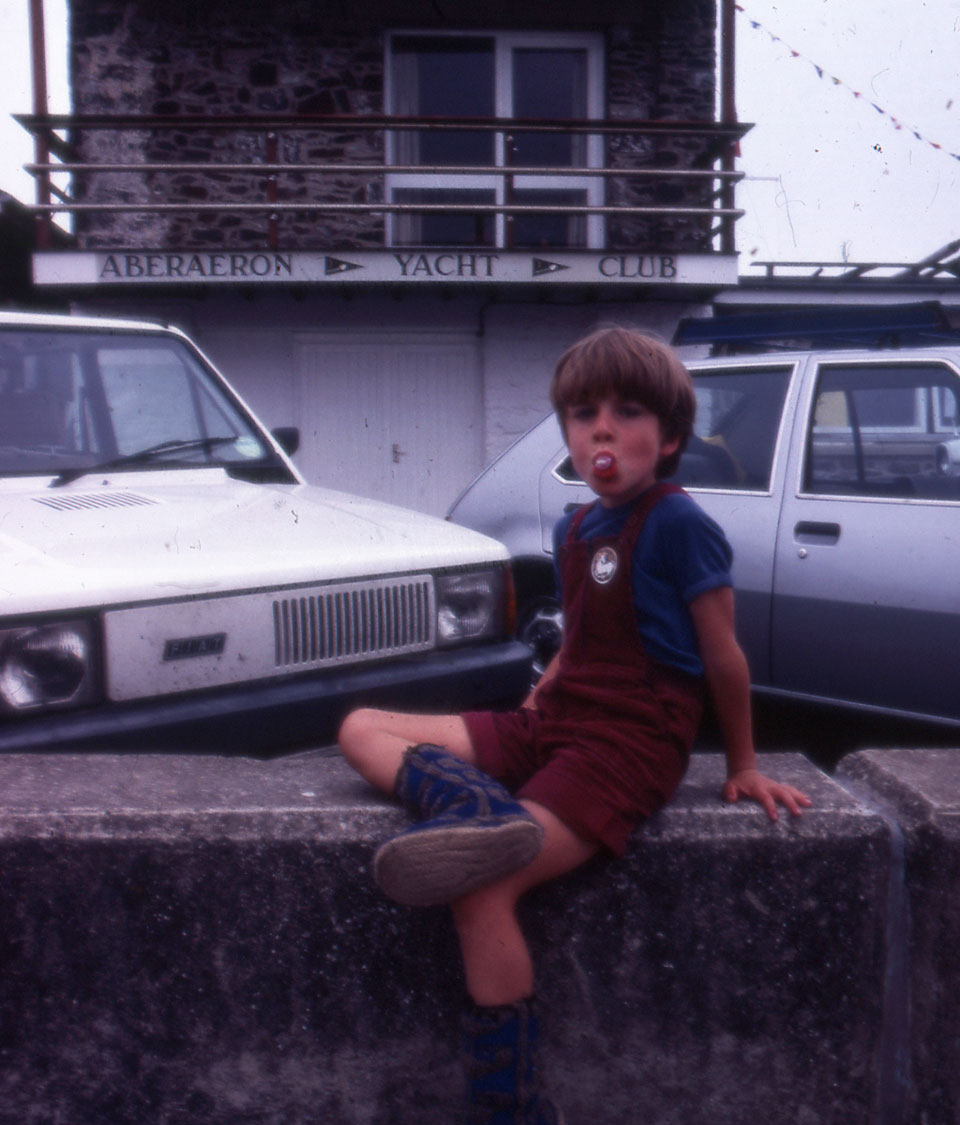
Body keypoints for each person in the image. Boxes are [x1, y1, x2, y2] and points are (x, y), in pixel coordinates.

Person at [338, 325, 812, 1125]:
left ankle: (515, 1108)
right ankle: (479, 812)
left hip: (628, 743)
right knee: (360, 726)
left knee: (482, 886)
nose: (601, 428)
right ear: (564, 432)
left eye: (627, 412)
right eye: (583, 412)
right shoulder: (574, 529)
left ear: (667, 439)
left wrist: (742, 762)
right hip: (557, 719)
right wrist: (532, 706)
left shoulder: (678, 523)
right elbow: (577, 641)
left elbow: (724, 656)